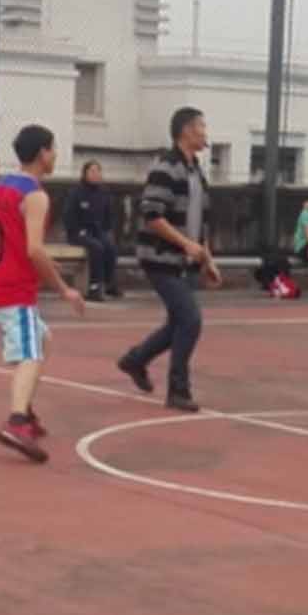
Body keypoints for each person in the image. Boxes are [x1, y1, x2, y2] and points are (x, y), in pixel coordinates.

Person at [0, 124, 86, 462]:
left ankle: (25, 409)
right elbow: (34, 250)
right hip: (13, 287)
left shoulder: (0, 186)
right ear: (42, 153)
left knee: (42, 340)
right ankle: (16, 422)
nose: (55, 155)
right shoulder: (35, 195)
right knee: (31, 354)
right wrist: (64, 289)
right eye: (53, 149)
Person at [117, 106, 221, 412]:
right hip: (160, 258)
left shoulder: (196, 171)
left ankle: (135, 360)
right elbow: (152, 215)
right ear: (186, 130)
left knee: (177, 323)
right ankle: (178, 389)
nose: (205, 133)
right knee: (190, 319)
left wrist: (207, 259)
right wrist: (185, 244)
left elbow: (200, 223)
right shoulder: (166, 167)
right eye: (201, 126)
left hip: (185, 260)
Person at [65, 161, 120, 300]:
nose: (95, 174)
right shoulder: (76, 192)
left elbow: (108, 217)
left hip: (97, 232)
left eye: (98, 171)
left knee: (110, 247)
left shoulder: (104, 193)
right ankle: (94, 287)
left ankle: (109, 284)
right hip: (79, 233)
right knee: (97, 248)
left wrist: (107, 232)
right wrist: (77, 230)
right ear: (85, 173)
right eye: (92, 171)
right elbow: (69, 216)